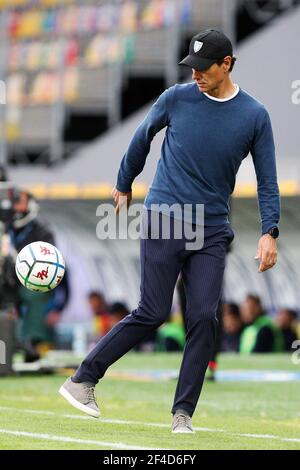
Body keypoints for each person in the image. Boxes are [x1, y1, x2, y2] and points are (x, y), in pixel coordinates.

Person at [59, 29, 280, 433]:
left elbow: (268, 179)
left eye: (203, 67)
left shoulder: (254, 115)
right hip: (164, 217)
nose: (195, 74)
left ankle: (183, 414)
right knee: (154, 312)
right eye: (191, 67)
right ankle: (82, 379)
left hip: (212, 228)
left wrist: (270, 230)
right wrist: (125, 181)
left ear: (226, 64)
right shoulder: (175, 98)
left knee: (203, 316)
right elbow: (142, 138)